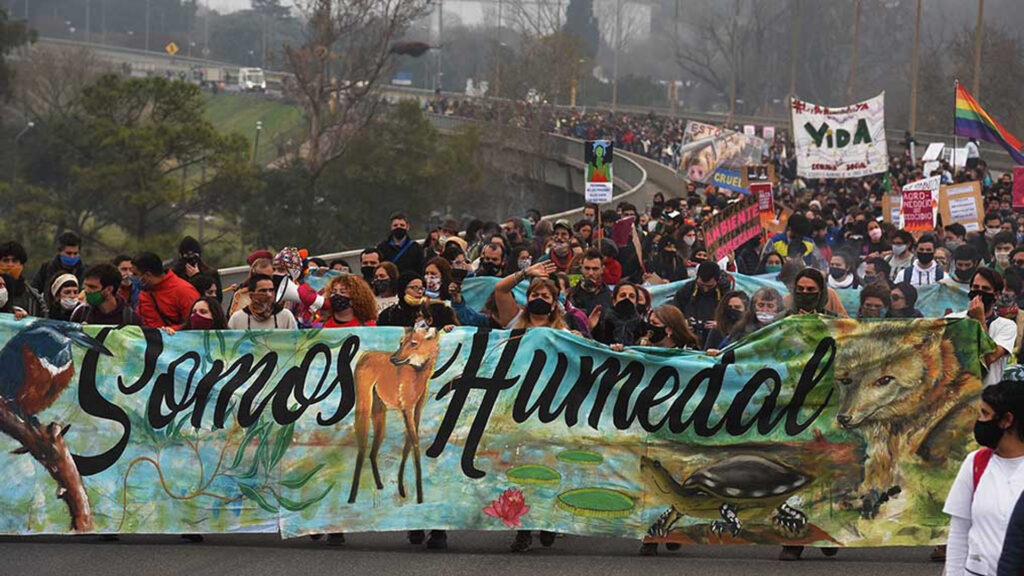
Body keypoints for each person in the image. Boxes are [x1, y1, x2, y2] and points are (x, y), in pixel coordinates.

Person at [944, 380, 1024, 576]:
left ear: (1006, 420)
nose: (979, 420)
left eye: (985, 414)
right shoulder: (976, 463)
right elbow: (959, 532)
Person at [134, 252, 201, 330]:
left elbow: (194, 324)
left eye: (135, 274)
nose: (131, 277)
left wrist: (170, 330)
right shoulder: (145, 292)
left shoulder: (184, 291)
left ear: (148, 275)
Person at [672, 261, 730, 344]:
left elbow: (737, 318)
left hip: (716, 337)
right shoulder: (687, 290)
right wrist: (683, 322)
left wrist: (722, 324)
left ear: (717, 281)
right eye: (702, 285)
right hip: (691, 335)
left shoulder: (726, 293)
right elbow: (674, 310)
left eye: (710, 286)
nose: (705, 289)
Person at [70, 264, 143, 326]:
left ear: (109, 289)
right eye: (86, 286)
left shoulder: (130, 319)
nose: (87, 291)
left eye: (92, 287)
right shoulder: (81, 313)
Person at [226, 274, 297, 330]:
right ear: (251, 295)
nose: (269, 295)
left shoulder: (286, 316)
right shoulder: (237, 319)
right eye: (263, 291)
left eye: (271, 290)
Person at [31, 232, 85, 298]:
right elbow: (34, 291)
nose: (72, 257)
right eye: (68, 253)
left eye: (75, 253)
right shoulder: (47, 269)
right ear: (60, 251)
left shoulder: (85, 272)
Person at [590, 282, 645, 346]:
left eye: (631, 296)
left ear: (636, 302)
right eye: (622, 295)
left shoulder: (641, 325)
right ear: (614, 301)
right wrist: (590, 328)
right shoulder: (603, 321)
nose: (627, 298)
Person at [0, 241, 46, 317]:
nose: (10, 265)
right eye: (5, 260)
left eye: (14, 261)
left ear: (21, 265)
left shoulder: (33, 297)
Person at [171, 236, 223, 302]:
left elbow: (217, 299)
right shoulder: (176, 275)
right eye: (187, 255)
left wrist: (198, 278)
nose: (191, 259)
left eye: (193, 255)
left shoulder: (211, 274)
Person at [569, 249, 612, 315]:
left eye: (595, 269)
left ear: (602, 270)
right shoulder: (571, 294)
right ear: (581, 268)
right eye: (587, 268)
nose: (590, 273)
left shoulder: (610, 296)